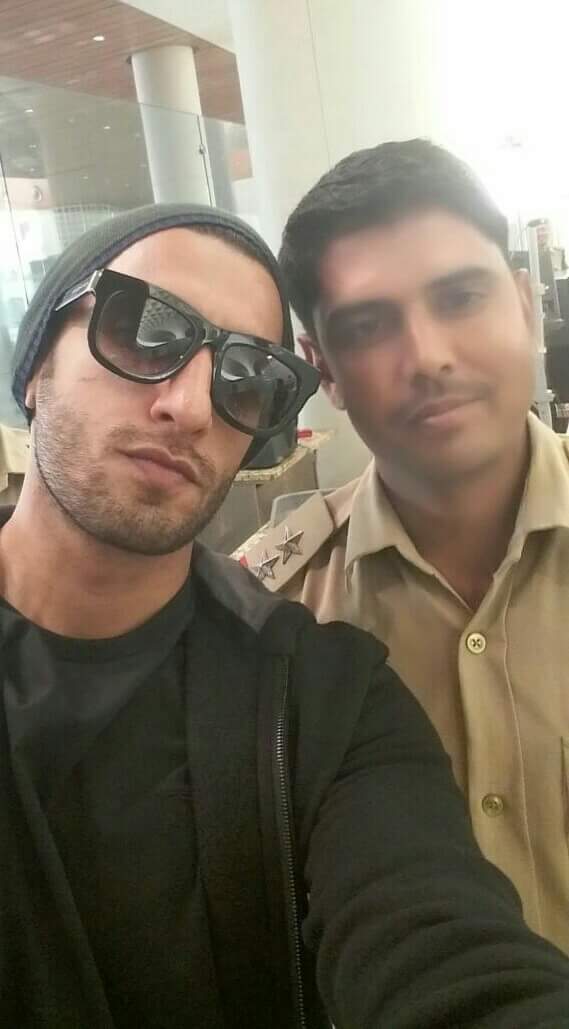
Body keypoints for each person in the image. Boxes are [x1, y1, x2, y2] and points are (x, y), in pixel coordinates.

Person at [2, 203, 569, 1029]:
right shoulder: (299, 580)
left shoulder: (318, 695)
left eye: (244, 378)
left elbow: (434, 941)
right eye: (144, 331)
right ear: (33, 366)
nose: (191, 407)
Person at [244, 138, 569, 956]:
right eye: (366, 326)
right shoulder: (269, 615)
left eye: (460, 297)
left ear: (525, 305)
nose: (426, 357)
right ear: (323, 369)